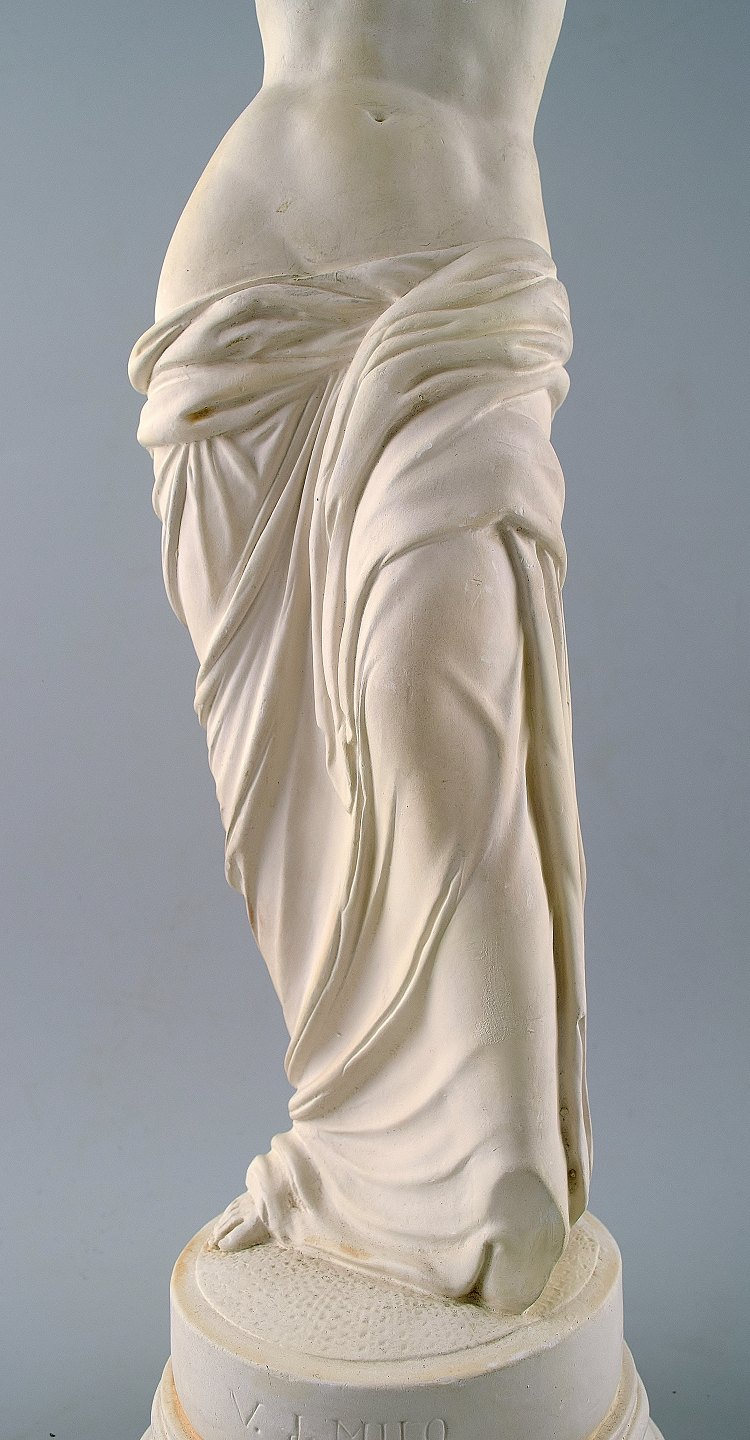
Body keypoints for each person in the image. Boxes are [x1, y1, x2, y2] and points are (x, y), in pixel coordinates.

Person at [129, 0, 590, 1313]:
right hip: (237, 335)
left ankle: (496, 1158)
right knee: (305, 797)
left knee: (429, 684)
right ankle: (354, 1148)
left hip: (459, 295)